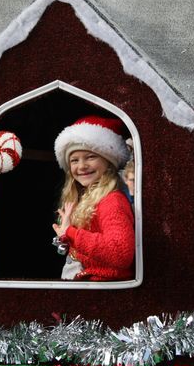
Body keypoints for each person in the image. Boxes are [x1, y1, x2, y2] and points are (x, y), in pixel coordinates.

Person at [52, 115, 135, 281]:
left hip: (107, 292)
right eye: (74, 160)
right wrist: (66, 239)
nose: (82, 166)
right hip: (90, 285)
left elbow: (120, 253)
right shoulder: (87, 199)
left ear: (108, 162)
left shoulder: (112, 201)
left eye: (90, 157)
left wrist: (72, 233)